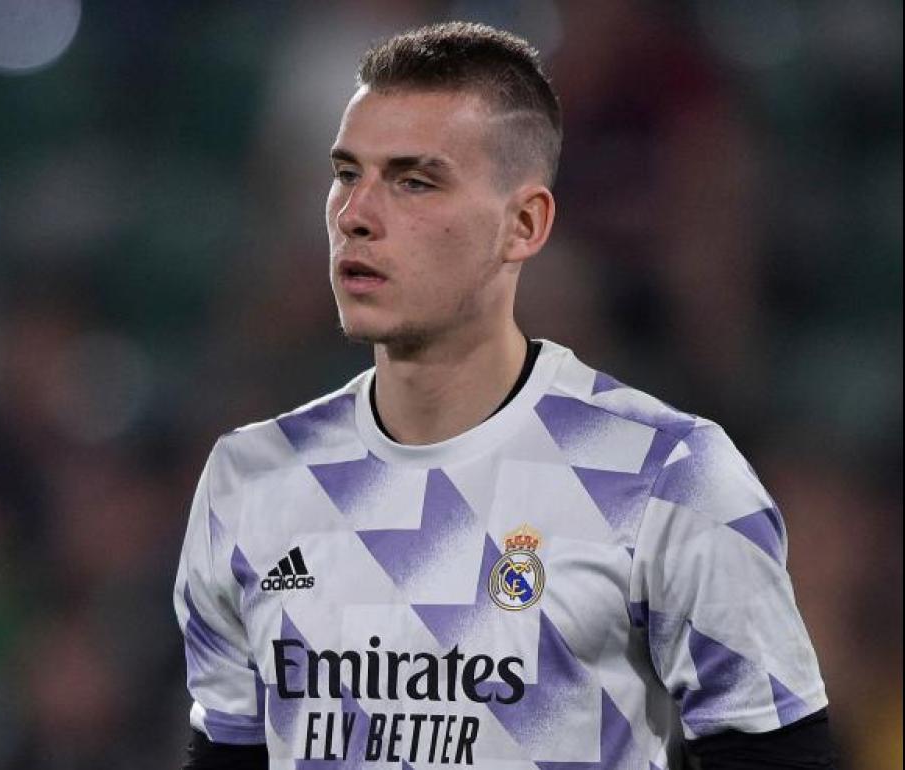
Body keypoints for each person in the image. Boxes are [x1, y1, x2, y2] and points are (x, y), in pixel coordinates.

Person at [174, 22, 834, 769]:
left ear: (523, 225)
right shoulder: (252, 477)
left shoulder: (668, 475)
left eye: (414, 180)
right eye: (347, 172)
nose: (356, 213)